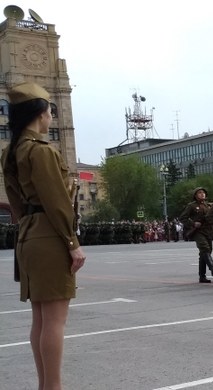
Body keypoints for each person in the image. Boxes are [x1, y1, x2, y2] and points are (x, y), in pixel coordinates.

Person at [2, 82, 87, 390]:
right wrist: (72, 243)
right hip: (50, 236)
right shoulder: (41, 151)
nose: (52, 115)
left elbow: (16, 204)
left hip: (28, 235)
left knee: (40, 319)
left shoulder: (13, 152)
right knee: (54, 321)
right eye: (50, 110)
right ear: (41, 113)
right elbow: (57, 201)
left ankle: (46, 386)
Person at [178, 187, 213, 283]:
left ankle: (202, 276)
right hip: (198, 231)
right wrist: (193, 224)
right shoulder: (191, 206)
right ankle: (212, 267)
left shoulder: (209, 206)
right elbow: (183, 218)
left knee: (205, 253)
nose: (202, 194)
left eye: (203, 192)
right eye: (199, 193)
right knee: (205, 248)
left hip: (208, 231)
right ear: (195, 195)